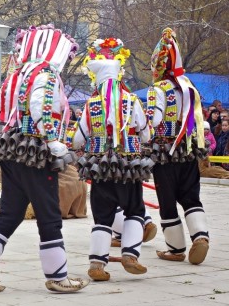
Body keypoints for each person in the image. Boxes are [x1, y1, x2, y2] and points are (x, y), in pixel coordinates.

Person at [0, 24, 88, 293]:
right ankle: (57, 275)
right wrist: (52, 141)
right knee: (49, 213)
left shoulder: (15, 76)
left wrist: (9, 135)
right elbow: (41, 108)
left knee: (10, 212)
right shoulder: (45, 75)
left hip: (11, 151)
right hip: (35, 152)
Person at [72, 37, 153, 281]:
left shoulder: (91, 104)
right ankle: (130, 255)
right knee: (135, 210)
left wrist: (82, 147)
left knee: (102, 215)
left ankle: (97, 263)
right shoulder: (133, 101)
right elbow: (146, 133)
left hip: (99, 166)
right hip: (128, 166)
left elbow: (78, 138)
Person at [146, 28, 209, 265]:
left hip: (164, 152)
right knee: (192, 197)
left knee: (167, 199)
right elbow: (199, 121)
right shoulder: (188, 87)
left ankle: (176, 248)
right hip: (189, 149)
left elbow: (153, 120)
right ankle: (201, 236)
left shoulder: (158, 89)